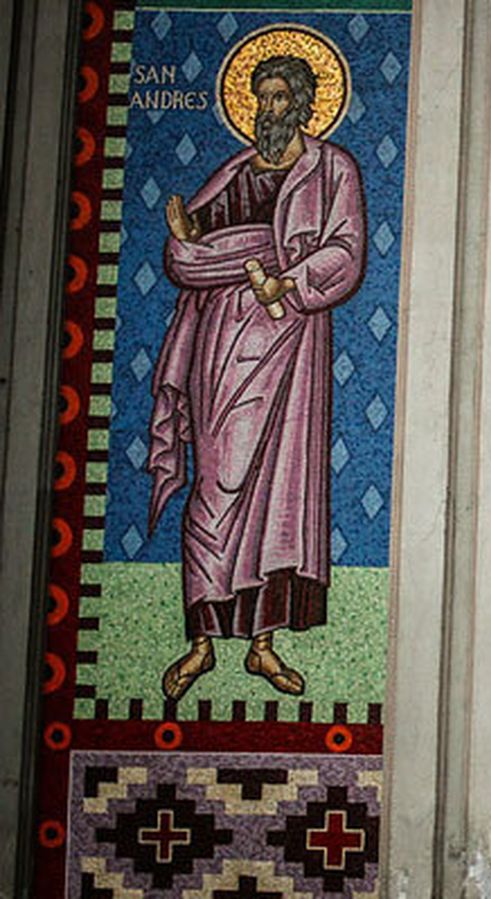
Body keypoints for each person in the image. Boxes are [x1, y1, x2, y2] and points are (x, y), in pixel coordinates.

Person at [148, 54, 367, 700]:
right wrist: (198, 246)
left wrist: (288, 281)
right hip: (219, 345)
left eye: (277, 98)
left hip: (289, 346)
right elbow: (186, 256)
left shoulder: (331, 170)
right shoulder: (234, 173)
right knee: (216, 479)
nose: (266, 110)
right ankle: (199, 642)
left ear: (302, 103)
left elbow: (345, 252)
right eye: (259, 97)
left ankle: (264, 644)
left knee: (278, 492)